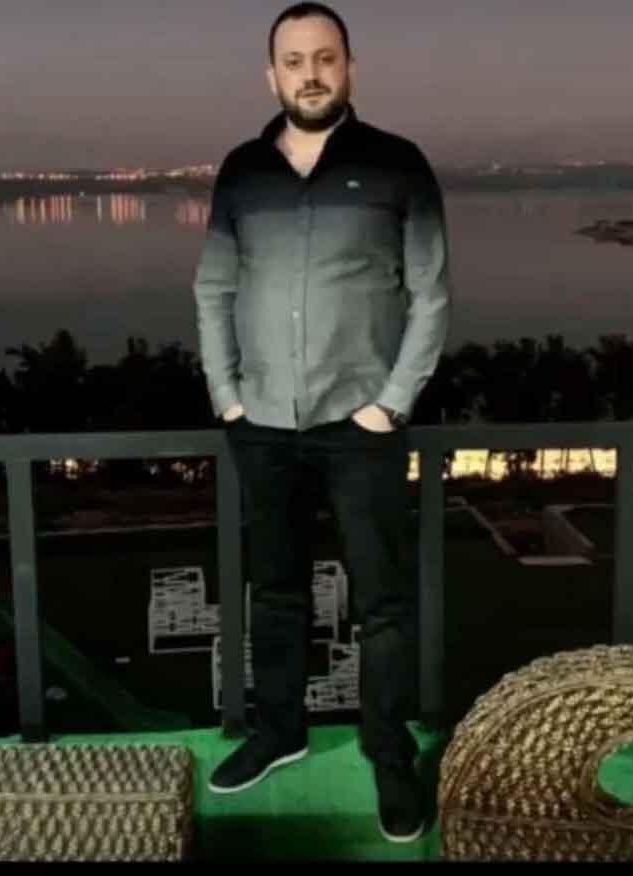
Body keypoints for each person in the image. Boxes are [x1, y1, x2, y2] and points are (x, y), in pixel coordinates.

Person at [192, 2, 450, 843]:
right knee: (274, 593)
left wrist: (391, 403)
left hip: (359, 423)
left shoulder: (398, 163)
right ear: (271, 74)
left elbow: (430, 294)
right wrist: (228, 396)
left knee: (383, 603)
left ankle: (388, 753)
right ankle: (279, 732)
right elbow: (214, 288)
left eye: (325, 57)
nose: (310, 73)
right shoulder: (241, 170)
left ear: (350, 67)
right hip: (263, 422)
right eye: (294, 60)